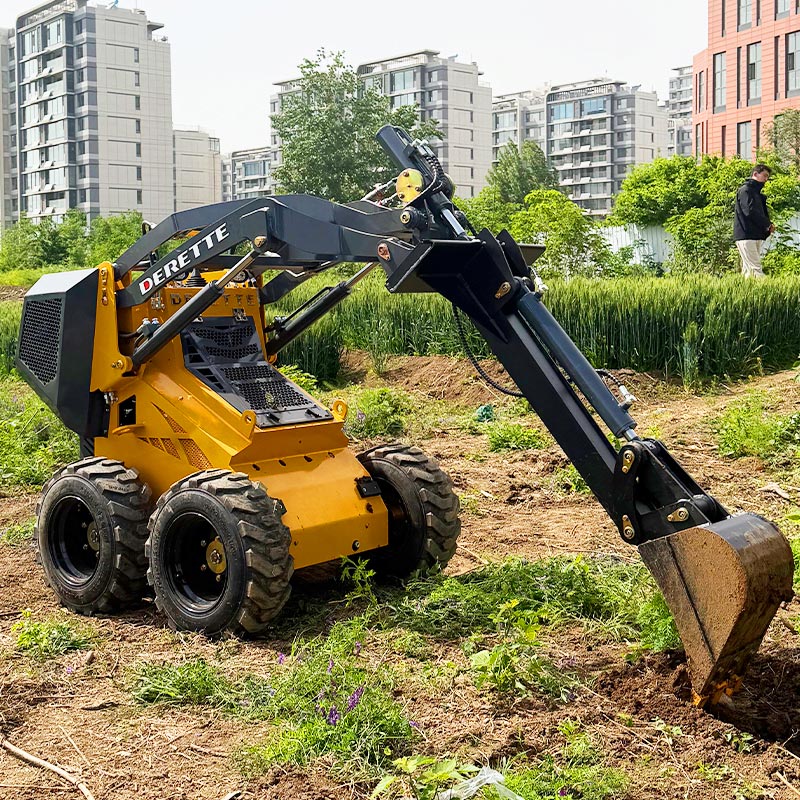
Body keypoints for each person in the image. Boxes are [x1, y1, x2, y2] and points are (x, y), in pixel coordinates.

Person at [734, 164, 775, 278]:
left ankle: (745, 293)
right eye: (765, 175)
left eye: (767, 177)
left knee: (748, 271)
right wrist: (767, 224)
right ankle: (767, 292)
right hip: (746, 235)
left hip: (753, 235)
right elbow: (750, 211)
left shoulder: (756, 193)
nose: (766, 179)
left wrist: (767, 226)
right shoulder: (745, 190)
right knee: (756, 269)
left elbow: (756, 212)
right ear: (755, 174)